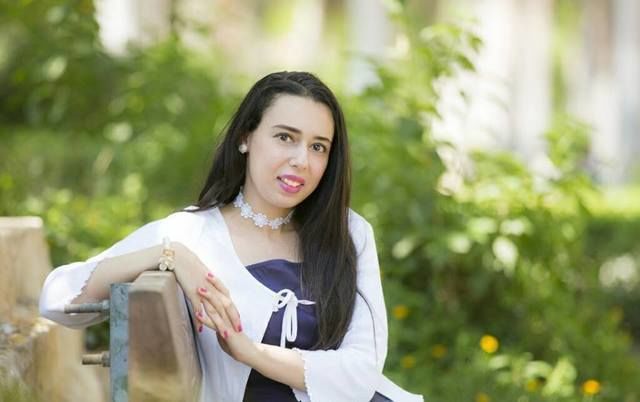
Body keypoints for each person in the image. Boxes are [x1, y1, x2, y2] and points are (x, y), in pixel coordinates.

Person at [39, 71, 424, 402]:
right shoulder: (193, 232)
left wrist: (252, 353)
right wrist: (170, 255)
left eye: (318, 146)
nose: (301, 160)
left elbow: (362, 371)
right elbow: (56, 300)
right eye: (285, 137)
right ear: (245, 138)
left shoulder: (350, 232)